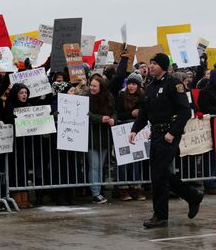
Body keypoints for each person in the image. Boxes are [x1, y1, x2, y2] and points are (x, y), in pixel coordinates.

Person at [129, 53, 203, 228]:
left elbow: (185, 111)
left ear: (163, 66)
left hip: (168, 134)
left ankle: (160, 216)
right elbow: (144, 111)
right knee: (160, 175)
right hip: (155, 134)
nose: (151, 66)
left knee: (159, 175)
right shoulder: (150, 86)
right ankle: (192, 196)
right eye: (150, 63)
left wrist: (172, 132)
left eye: (154, 63)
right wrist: (134, 130)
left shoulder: (173, 84)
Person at [115, 73, 146, 201]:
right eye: (129, 84)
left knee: (136, 160)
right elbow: (118, 114)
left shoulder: (143, 96)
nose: (131, 86)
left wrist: (141, 114)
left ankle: (136, 187)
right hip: (123, 131)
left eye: (134, 84)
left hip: (138, 132)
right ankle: (123, 188)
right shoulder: (121, 96)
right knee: (124, 161)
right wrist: (131, 113)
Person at [86, 76, 116, 204]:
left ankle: (98, 190)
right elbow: (86, 114)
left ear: (101, 87)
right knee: (94, 165)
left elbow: (114, 111)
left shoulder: (108, 97)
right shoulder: (86, 97)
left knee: (100, 165)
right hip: (91, 136)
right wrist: (100, 118)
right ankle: (95, 193)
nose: (92, 88)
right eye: (91, 85)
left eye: (94, 86)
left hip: (105, 136)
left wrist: (113, 119)